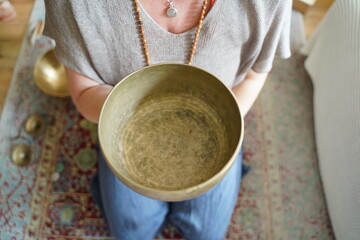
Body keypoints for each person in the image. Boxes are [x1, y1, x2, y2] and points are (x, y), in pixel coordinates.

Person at [43, 0, 291, 239]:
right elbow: (85, 91)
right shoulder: (72, 4)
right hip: (125, 125)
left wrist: (226, 129)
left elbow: (254, 76)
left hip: (217, 121)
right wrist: (130, 116)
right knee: (131, 232)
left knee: (206, 233)